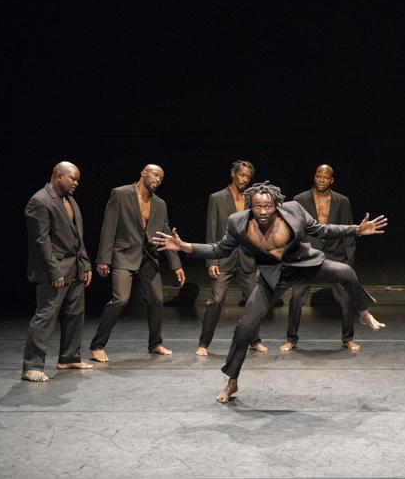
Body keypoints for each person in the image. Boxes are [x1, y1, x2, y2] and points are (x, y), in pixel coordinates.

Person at [154, 181, 387, 403]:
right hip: (271, 277)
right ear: (250, 206)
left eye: (267, 206)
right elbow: (219, 249)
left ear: (275, 205)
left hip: (302, 266)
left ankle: (364, 312)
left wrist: (356, 229)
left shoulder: (294, 211)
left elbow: (322, 229)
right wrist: (185, 247)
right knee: (244, 329)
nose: (263, 211)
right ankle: (232, 382)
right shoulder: (238, 223)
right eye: (257, 206)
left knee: (345, 271)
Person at [90, 164, 185, 362]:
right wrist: (103, 259)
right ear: (143, 172)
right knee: (121, 299)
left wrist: (176, 265)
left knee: (157, 299)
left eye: (161, 178)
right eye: (156, 175)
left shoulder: (160, 204)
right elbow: (109, 226)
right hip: (124, 254)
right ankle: (98, 345)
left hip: (148, 257)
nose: (158, 179)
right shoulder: (120, 194)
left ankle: (155, 343)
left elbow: (166, 235)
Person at [22, 162, 93, 382]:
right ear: (57, 175)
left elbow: (77, 236)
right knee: (46, 315)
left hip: (75, 267)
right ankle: (31, 366)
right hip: (53, 269)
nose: (76, 183)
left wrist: (85, 263)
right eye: (72, 178)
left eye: (78, 180)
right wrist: (54, 271)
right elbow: (40, 241)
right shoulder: (40, 201)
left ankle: (69, 357)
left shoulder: (70, 201)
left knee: (75, 314)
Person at [281, 164, 360, 352]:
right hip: (307, 255)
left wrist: (349, 260)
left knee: (345, 299)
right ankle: (291, 339)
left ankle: (347, 339)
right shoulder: (300, 200)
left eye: (325, 177)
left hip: (335, 255)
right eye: (318, 176)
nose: (321, 180)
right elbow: (293, 229)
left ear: (331, 180)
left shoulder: (342, 201)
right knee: (297, 297)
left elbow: (348, 230)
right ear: (314, 177)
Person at [197, 160, 267, 356]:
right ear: (233, 174)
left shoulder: (253, 199)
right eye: (241, 175)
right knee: (216, 300)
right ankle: (204, 343)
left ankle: (255, 340)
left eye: (247, 177)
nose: (244, 179)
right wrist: (211, 261)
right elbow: (212, 231)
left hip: (247, 258)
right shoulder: (217, 198)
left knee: (254, 300)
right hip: (223, 258)